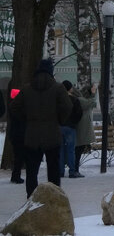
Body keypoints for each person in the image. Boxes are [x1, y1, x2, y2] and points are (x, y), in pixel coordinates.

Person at [10, 59, 72, 197]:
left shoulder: (27, 89)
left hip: (32, 135)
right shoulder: (58, 88)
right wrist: (60, 120)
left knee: (32, 171)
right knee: (53, 171)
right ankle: (54, 200)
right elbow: (67, 107)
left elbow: (14, 107)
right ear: (50, 72)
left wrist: (27, 119)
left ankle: (31, 201)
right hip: (52, 135)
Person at [59, 80, 84, 178]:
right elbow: (79, 113)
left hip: (60, 127)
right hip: (70, 127)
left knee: (60, 150)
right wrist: (73, 122)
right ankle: (72, 171)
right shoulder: (74, 100)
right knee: (70, 150)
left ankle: (60, 171)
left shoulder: (58, 100)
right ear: (70, 89)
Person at [74, 82, 96, 171]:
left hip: (83, 128)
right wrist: (93, 93)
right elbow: (90, 103)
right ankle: (75, 169)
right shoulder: (80, 100)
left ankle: (75, 168)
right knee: (78, 149)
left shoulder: (82, 100)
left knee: (79, 149)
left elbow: (91, 103)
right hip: (82, 129)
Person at [8, 83, 25, 185]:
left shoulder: (12, 107)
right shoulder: (17, 108)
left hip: (14, 134)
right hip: (19, 135)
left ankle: (15, 175)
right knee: (19, 157)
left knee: (17, 156)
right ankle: (16, 176)